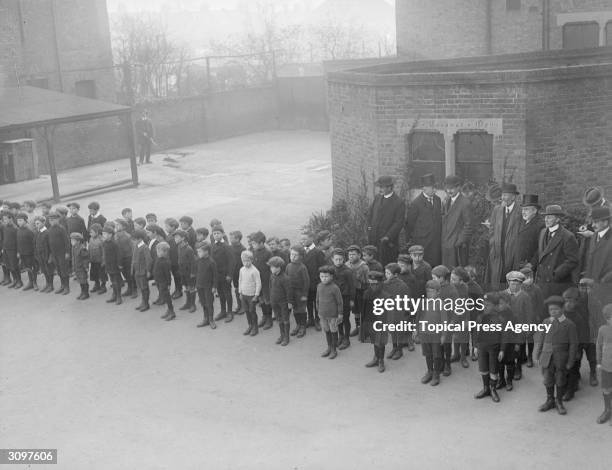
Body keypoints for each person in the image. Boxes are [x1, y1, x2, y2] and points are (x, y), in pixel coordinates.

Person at [535, 296, 578, 415]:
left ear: (562, 309)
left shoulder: (569, 324)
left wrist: (570, 361)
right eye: (550, 310)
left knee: (560, 379)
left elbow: (573, 344)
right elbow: (541, 339)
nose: (553, 312)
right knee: (548, 379)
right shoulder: (546, 322)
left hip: (561, 358)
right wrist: (538, 354)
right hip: (547, 356)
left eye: (556, 309)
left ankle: (559, 401)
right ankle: (550, 400)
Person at [535, 205, 579, 298]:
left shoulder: (568, 236)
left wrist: (556, 274)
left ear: (558, 219)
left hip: (557, 284)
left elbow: (573, 260)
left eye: (549, 217)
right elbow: (541, 255)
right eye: (545, 217)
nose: (546, 220)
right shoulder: (543, 232)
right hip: (541, 282)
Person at [486, 183, 522, 290]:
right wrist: (493, 244)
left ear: (513, 197)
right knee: (496, 280)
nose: (503, 198)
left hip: (512, 253)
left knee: (509, 280)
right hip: (497, 252)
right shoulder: (497, 210)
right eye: (502, 195)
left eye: (506, 195)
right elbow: (492, 229)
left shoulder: (520, 211)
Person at [405, 173, 442, 267]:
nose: (435, 190)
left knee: (436, 265)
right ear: (424, 188)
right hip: (423, 242)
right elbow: (410, 224)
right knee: (424, 266)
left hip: (436, 241)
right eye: (432, 187)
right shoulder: (416, 203)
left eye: (435, 187)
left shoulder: (438, 200)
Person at [367, 176, 405, 266]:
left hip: (388, 242)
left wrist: (388, 236)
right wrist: (369, 229)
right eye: (379, 187)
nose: (380, 189)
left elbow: (398, 223)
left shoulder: (398, 202)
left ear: (390, 187)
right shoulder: (377, 198)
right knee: (373, 263)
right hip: (374, 239)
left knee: (386, 264)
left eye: (382, 187)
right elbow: (370, 214)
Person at [562, 287, 591, 401]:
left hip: (575, 348)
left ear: (576, 302)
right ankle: (567, 385)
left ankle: (570, 390)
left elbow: (583, 334)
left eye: (571, 301)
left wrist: (580, 349)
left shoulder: (579, 318)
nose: (568, 304)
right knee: (564, 368)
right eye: (566, 301)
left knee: (573, 368)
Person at [417, 279, 447, 386]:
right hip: (424, 333)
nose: (429, 294)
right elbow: (418, 317)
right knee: (427, 354)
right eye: (428, 291)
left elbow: (444, 320)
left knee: (436, 355)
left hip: (436, 335)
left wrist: (443, 335)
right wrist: (416, 330)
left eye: (432, 291)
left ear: (438, 292)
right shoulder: (423, 302)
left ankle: (436, 374)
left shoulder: (441, 304)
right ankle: (429, 371)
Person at [474, 292, 503, 402]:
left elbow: (504, 336)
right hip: (482, 347)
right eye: (484, 305)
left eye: (488, 305)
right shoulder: (480, 317)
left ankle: (493, 389)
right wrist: (476, 346)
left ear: (495, 306)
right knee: (483, 368)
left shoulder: (500, 319)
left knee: (493, 369)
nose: (485, 307)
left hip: (494, 348)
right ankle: (486, 388)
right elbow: (476, 332)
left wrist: (502, 350)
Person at [441, 175, 473, 268]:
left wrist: (459, 242)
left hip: (457, 247)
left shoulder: (465, 203)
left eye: (452, 188)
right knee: (446, 272)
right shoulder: (446, 201)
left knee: (457, 273)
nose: (449, 191)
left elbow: (469, 226)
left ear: (458, 188)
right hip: (446, 245)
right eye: (447, 188)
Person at [383, 262, 412, 361]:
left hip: (399, 314)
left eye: (388, 273)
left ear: (395, 275)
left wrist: (405, 314)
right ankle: (394, 348)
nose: (386, 275)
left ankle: (399, 350)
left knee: (399, 333)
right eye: (385, 273)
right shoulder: (385, 284)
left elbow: (407, 301)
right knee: (392, 332)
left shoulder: (403, 286)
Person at [316, 265, 343, 360]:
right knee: (326, 331)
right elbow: (317, 300)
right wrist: (318, 311)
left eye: (326, 276)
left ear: (331, 276)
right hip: (322, 314)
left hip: (333, 315)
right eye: (322, 276)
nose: (324, 278)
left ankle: (334, 349)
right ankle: (329, 347)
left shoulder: (335, 288)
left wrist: (340, 314)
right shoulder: (319, 286)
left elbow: (339, 302)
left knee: (333, 331)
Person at [331, 248, 355, 350]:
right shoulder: (331, 270)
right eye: (336, 259)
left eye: (340, 259)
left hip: (345, 298)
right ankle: (340, 335)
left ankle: (346, 339)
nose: (338, 262)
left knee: (345, 319)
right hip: (334, 299)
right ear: (332, 259)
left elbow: (352, 286)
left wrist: (352, 300)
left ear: (344, 259)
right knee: (338, 318)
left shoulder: (348, 271)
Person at [363, 271, 387, 372]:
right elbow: (364, 309)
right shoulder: (367, 293)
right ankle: (376, 358)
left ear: (381, 283)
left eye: (375, 283)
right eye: (371, 283)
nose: (373, 285)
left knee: (380, 342)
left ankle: (381, 360)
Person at [302, 232, 325, 332]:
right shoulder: (302, 251)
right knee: (308, 302)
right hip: (305, 282)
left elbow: (322, 268)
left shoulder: (318, 252)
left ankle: (317, 320)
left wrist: (320, 282)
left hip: (315, 282)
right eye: (302, 240)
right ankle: (310, 319)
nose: (303, 241)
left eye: (305, 239)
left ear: (311, 238)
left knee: (316, 302)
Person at [286, 245, 310, 338]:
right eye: (291, 254)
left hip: (300, 293)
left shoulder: (302, 267)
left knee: (301, 310)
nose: (293, 257)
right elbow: (286, 279)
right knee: (295, 310)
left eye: (295, 255)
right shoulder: (288, 266)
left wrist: (304, 295)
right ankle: (298, 325)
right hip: (291, 293)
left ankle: (303, 326)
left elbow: (306, 282)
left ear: (301, 256)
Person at [212, 225, 235, 322]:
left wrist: (230, 275)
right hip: (217, 275)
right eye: (214, 234)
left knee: (227, 293)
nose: (216, 235)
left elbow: (232, 261)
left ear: (223, 234)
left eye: (218, 233)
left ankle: (230, 312)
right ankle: (223, 311)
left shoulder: (226, 246)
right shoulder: (213, 245)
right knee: (220, 293)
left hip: (225, 275)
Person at [516, 194, 544, 271]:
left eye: (526, 209)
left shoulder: (541, 225)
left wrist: (532, 264)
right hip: (517, 263)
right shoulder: (521, 221)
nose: (523, 212)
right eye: (522, 209)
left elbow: (541, 247)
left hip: (529, 266)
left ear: (534, 210)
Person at [250, 231, 273, 330]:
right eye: (252, 243)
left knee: (267, 300)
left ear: (261, 243)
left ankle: (269, 319)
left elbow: (271, 268)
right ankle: (264, 316)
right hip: (257, 281)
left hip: (266, 281)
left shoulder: (268, 253)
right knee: (261, 299)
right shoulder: (254, 252)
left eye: (254, 243)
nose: (253, 245)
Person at [346, 245, 368, 341]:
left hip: (361, 291)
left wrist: (360, 279)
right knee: (355, 311)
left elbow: (368, 281)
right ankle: (358, 327)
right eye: (349, 254)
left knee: (363, 311)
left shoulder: (364, 266)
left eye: (353, 254)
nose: (351, 256)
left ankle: (364, 330)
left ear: (359, 255)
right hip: (352, 292)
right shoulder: (346, 265)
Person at [268, 256, 291, 346]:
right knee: (278, 319)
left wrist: (289, 303)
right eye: (270, 267)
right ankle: (282, 335)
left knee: (285, 319)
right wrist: (271, 299)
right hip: (274, 302)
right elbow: (270, 287)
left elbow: (289, 292)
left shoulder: (285, 278)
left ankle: (287, 337)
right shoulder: (272, 276)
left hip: (283, 303)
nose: (271, 269)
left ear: (279, 268)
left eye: (272, 267)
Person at [595, 304, 612, 424]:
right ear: (607, 319)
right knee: (606, 388)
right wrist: (599, 362)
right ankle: (607, 409)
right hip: (607, 365)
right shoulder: (602, 329)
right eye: (610, 317)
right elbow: (599, 346)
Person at [239, 250, 261, 337]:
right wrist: (240, 292)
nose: (246, 263)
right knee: (247, 311)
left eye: (248, 261)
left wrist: (256, 295)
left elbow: (258, 283)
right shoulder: (241, 270)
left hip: (251, 295)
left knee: (252, 311)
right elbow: (240, 280)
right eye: (244, 261)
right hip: (244, 294)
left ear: (251, 260)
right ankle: (250, 325)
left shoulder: (255, 271)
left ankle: (255, 327)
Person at [195, 242, 217, 329]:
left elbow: (215, 276)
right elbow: (198, 272)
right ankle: (205, 318)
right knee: (203, 303)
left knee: (209, 303)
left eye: (200, 251)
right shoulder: (198, 260)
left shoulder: (211, 262)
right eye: (198, 251)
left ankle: (211, 320)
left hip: (208, 287)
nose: (198, 253)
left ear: (206, 252)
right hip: (200, 286)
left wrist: (214, 287)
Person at [47, 211, 70, 295]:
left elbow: (67, 241)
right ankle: (62, 285)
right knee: (59, 270)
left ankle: (67, 287)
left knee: (64, 270)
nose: (52, 222)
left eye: (54, 220)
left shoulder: (61, 229)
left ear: (58, 219)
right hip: (54, 254)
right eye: (50, 220)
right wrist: (51, 254)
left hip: (62, 253)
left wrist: (67, 252)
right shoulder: (49, 230)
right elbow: (49, 242)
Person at [175, 230, 196, 313]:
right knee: (186, 287)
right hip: (182, 272)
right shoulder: (179, 247)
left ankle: (192, 305)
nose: (175, 239)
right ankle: (188, 303)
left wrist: (193, 273)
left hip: (189, 273)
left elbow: (193, 262)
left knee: (191, 288)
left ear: (183, 238)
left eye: (177, 237)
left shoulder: (189, 249)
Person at [132, 229, 152, 312]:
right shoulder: (136, 246)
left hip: (142, 271)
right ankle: (143, 302)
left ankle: (146, 303)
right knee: (140, 287)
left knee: (144, 288)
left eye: (135, 239)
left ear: (140, 239)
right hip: (137, 271)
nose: (134, 241)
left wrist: (148, 271)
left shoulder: (144, 247)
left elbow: (149, 260)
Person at [115, 219, 136, 299]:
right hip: (120, 258)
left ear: (123, 227)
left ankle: (134, 290)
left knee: (130, 275)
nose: (116, 226)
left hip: (127, 258)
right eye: (116, 224)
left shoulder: (127, 236)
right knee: (125, 274)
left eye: (118, 225)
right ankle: (129, 288)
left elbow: (132, 247)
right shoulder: (116, 235)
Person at [102, 225, 122, 306]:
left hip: (115, 265)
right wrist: (104, 261)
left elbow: (119, 254)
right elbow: (104, 254)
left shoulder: (115, 243)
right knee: (112, 281)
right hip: (108, 265)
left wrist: (119, 264)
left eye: (105, 234)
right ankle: (114, 294)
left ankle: (119, 296)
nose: (104, 235)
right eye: (103, 234)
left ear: (110, 234)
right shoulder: (104, 243)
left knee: (116, 281)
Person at [155, 242, 175, 321]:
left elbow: (168, 274)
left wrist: (169, 284)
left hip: (164, 282)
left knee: (167, 297)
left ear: (165, 252)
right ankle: (168, 310)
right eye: (157, 251)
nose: (157, 253)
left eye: (159, 251)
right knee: (163, 296)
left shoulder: (166, 262)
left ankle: (172, 312)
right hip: (159, 281)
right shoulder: (158, 259)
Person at [16, 213, 35, 290]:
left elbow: (33, 243)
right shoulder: (18, 231)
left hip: (29, 253)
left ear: (25, 221)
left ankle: (33, 283)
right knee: (27, 268)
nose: (19, 222)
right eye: (18, 221)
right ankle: (31, 282)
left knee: (31, 268)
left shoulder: (29, 231)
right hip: (22, 253)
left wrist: (33, 253)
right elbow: (17, 242)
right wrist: (18, 252)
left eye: (20, 220)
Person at [164, 218, 182, 300]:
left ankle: (179, 290)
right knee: (175, 276)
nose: (165, 228)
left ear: (173, 227)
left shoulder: (173, 236)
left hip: (175, 261)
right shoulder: (169, 235)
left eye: (167, 226)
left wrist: (172, 262)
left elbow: (174, 251)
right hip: (172, 260)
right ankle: (177, 289)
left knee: (177, 276)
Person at [34, 216, 52, 293]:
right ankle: (47, 284)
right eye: (35, 224)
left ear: (43, 223)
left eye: (38, 223)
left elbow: (50, 246)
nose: (36, 225)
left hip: (46, 255)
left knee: (48, 270)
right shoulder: (37, 232)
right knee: (44, 270)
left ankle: (51, 285)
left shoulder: (47, 233)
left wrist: (50, 256)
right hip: (40, 255)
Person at [229, 230, 246, 314]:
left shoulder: (242, 249)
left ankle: (243, 307)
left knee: (241, 290)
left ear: (238, 239)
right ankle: (239, 305)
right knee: (236, 289)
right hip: (233, 272)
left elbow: (244, 262)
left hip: (240, 272)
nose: (230, 239)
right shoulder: (230, 247)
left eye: (232, 238)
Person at [1, 212, 19, 288]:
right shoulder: (5, 227)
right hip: (6, 249)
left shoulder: (15, 228)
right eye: (3, 219)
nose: (4, 220)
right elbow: (4, 239)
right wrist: (3, 248)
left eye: (5, 219)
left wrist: (18, 251)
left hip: (13, 250)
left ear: (10, 218)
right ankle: (14, 280)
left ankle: (19, 281)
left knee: (15, 266)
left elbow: (18, 241)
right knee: (9, 266)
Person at [88, 223, 107, 294]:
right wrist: (89, 258)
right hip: (93, 260)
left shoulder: (102, 240)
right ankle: (97, 284)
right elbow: (89, 248)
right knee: (94, 273)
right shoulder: (90, 239)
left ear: (97, 232)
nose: (90, 234)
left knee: (102, 274)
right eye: (90, 232)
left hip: (100, 261)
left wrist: (103, 261)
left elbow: (104, 252)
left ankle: (103, 286)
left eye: (92, 232)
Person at [70, 232, 90, 300]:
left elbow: (85, 259)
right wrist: (73, 268)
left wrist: (86, 267)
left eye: (73, 240)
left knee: (84, 281)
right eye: (71, 240)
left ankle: (86, 293)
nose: (71, 242)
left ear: (78, 241)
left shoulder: (82, 248)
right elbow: (73, 258)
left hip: (82, 268)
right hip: (77, 268)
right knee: (80, 281)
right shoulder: (74, 247)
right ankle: (82, 292)